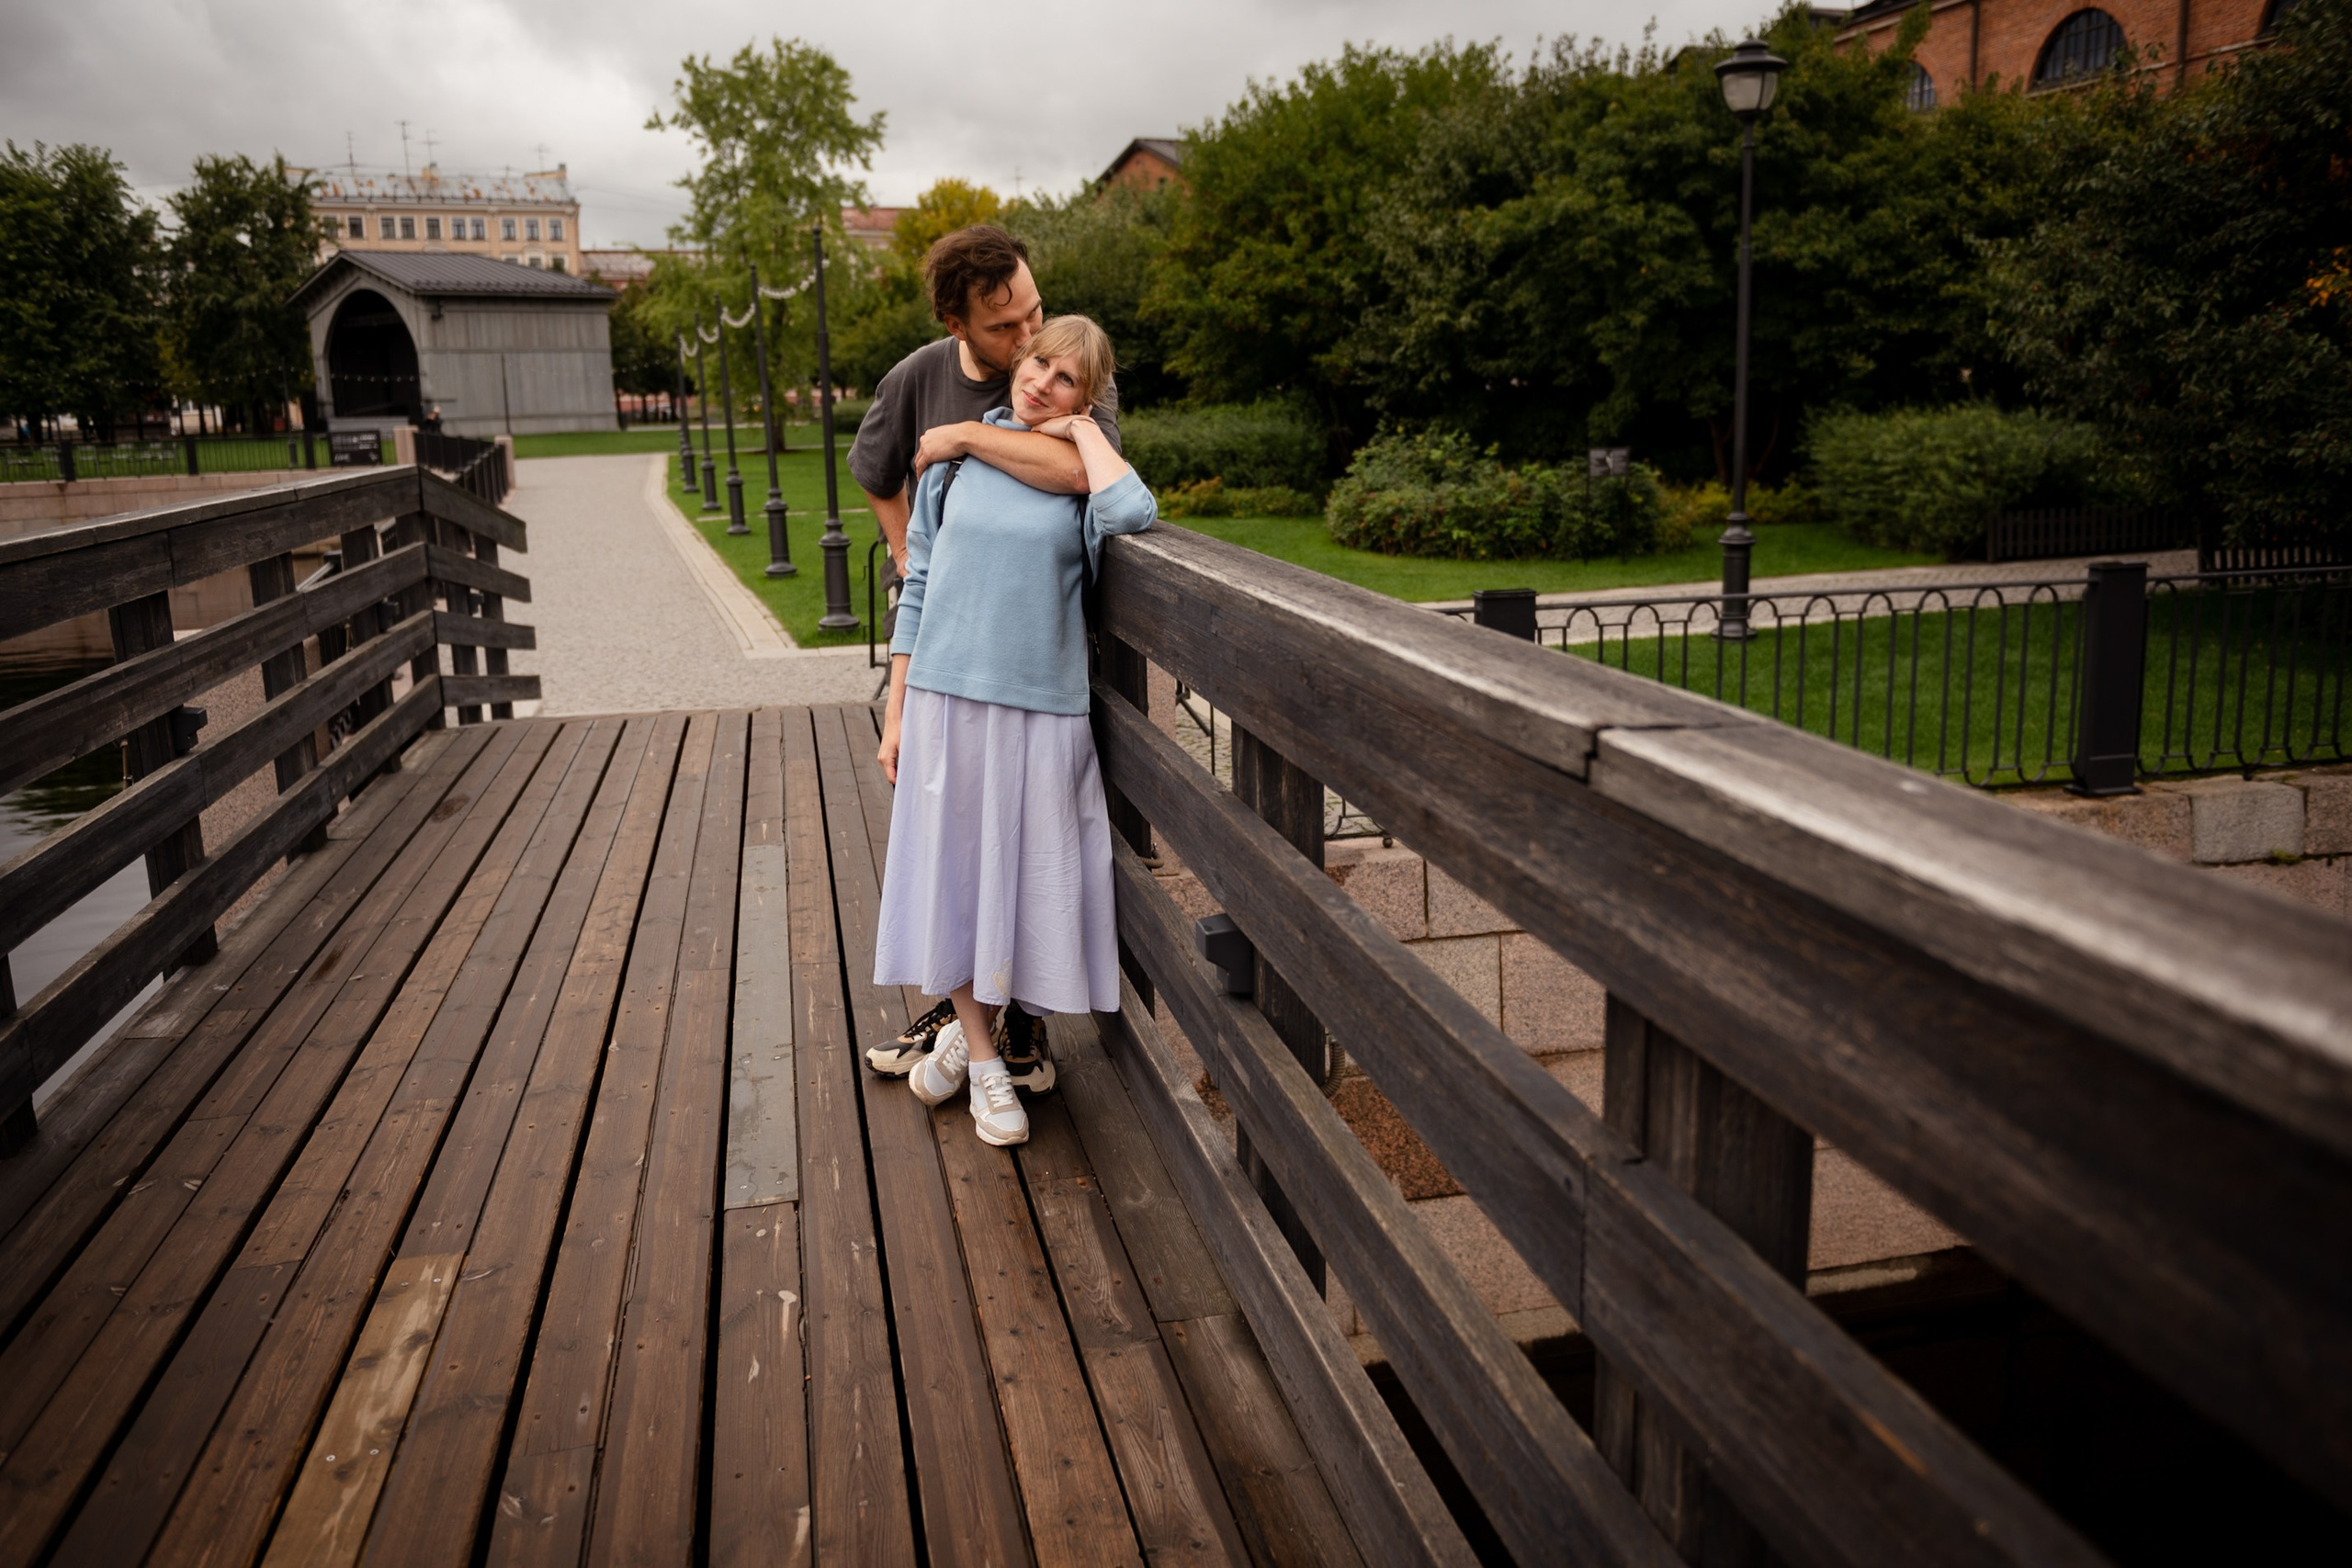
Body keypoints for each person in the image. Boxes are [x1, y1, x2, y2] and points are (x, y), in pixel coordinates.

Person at [867, 315, 1154, 1146]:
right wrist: (897, 710)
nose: (1041, 384)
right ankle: (990, 1067)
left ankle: (968, 1038)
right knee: (957, 877)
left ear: (1086, 398)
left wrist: (1083, 431)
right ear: (1018, 361)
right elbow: (919, 588)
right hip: (946, 701)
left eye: (1067, 380)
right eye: (1038, 364)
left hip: (1042, 708)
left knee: (1029, 879)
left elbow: (1132, 509)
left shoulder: (1077, 477)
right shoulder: (954, 467)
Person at [848, 224, 1122, 576]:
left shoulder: (1077, 373)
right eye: (1002, 327)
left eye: (1033, 313)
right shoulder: (915, 376)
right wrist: (904, 553)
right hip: (941, 599)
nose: (1027, 339)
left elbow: (1087, 472)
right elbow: (874, 470)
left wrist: (966, 436)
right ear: (956, 326)